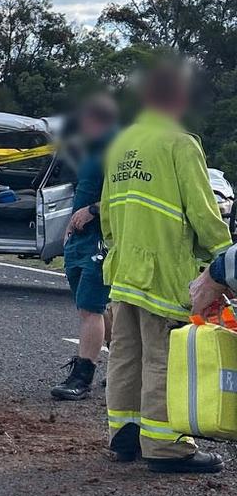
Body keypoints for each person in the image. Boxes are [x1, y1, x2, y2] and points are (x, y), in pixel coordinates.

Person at [101, 61, 232, 474]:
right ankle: (165, 447)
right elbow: (203, 211)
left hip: (124, 270)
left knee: (125, 354)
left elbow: (107, 214)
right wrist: (226, 259)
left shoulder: (120, 146)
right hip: (163, 271)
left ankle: (124, 433)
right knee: (163, 357)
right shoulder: (179, 143)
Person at [52, 94, 119, 401]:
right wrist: (70, 225)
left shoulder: (116, 148)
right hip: (81, 238)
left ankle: (83, 375)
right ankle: (124, 365)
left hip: (100, 237)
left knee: (90, 308)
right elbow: (85, 189)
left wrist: (94, 210)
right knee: (92, 305)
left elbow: (125, 194)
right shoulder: (93, 149)